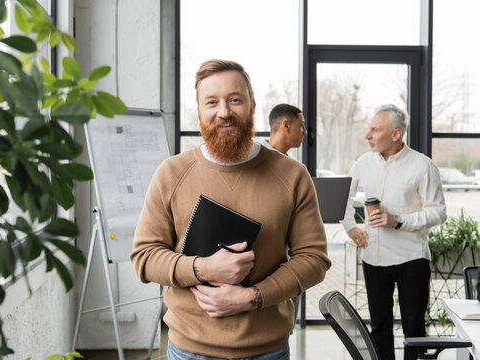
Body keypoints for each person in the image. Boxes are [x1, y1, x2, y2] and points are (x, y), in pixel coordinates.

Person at [130, 59, 331, 360]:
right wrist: (202, 268)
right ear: (199, 110)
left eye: (234, 99)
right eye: (211, 102)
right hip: (189, 351)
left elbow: (314, 259)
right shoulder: (171, 173)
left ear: (252, 104)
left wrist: (253, 297)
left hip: (269, 351)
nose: (224, 111)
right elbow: (144, 257)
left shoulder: (292, 174)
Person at [340, 104, 447, 360]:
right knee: (379, 327)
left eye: (375, 130)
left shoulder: (423, 166)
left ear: (396, 134)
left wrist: (397, 220)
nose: (368, 135)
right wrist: (350, 226)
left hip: (412, 259)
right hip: (374, 258)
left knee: (414, 328)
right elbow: (343, 196)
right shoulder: (363, 163)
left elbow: (438, 212)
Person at [261, 103, 307, 331]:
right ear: (286, 125)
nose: (305, 133)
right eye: (302, 126)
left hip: (291, 265)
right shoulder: (256, 164)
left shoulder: (294, 170)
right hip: (264, 268)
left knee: (283, 331)